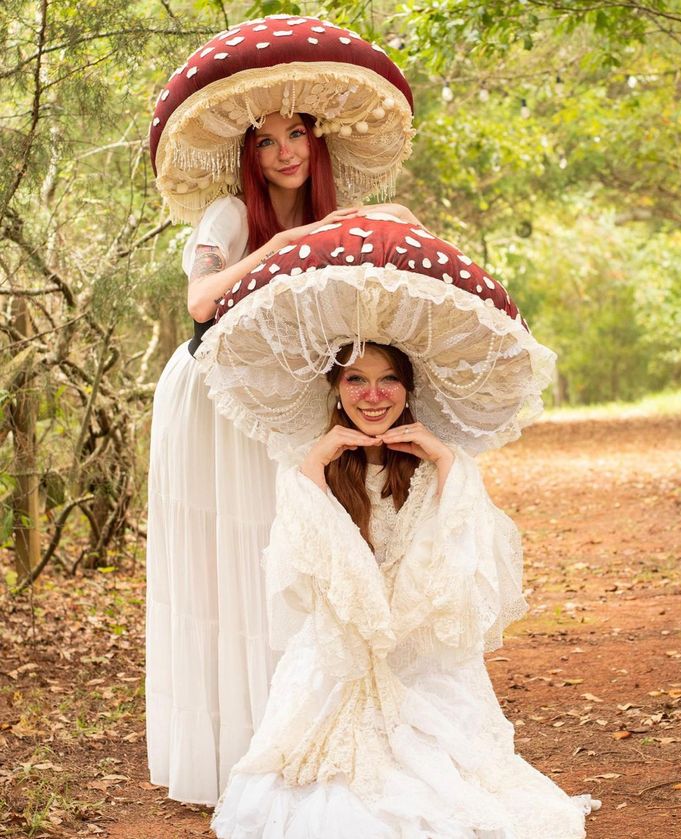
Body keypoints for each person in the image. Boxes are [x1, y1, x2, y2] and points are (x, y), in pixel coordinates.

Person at [146, 14, 418, 805]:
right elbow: (199, 301)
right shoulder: (231, 217)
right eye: (265, 141)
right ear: (248, 154)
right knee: (231, 553)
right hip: (213, 395)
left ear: (316, 140)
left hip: (281, 396)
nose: (284, 152)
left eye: (295, 133)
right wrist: (271, 250)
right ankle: (233, 744)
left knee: (289, 550)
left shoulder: (327, 215)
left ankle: (298, 728)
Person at [211, 342, 600, 837]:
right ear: (334, 388)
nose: (373, 395)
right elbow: (313, 569)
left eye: (388, 380)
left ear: (409, 388)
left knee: (442, 783)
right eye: (355, 379)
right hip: (343, 644)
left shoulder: (444, 465)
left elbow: (455, 561)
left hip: (418, 647)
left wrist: (441, 458)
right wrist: (314, 466)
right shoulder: (312, 465)